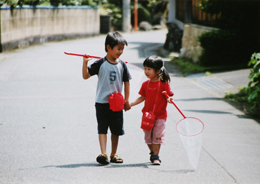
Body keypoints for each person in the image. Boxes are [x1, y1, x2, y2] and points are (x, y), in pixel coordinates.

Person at [82, 32, 131, 165]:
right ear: (109, 47)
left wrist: (126, 101)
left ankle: (113, 154)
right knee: (102, 128)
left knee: (116, 130)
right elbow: (85, 76)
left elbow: (127, 82)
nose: (120, 52)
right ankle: (103, 153)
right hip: (102, 103)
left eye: (122, 49)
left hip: (117, 104)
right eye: (118, 49)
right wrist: (85, 63)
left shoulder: (122, 65)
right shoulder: (100, 63)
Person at [130, 55, 173, 165]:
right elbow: (142, 97)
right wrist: (131, 104)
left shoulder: (164, 84)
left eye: (149, 69)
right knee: (148, 137)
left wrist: (169, 99)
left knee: (157, 135)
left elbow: (169, 95)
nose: (146, 71)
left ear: (158, 71)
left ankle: (156, 156)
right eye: (145, 68)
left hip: (160, 116)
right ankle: (152, 152)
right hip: (147, 115)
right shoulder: (145, 84)